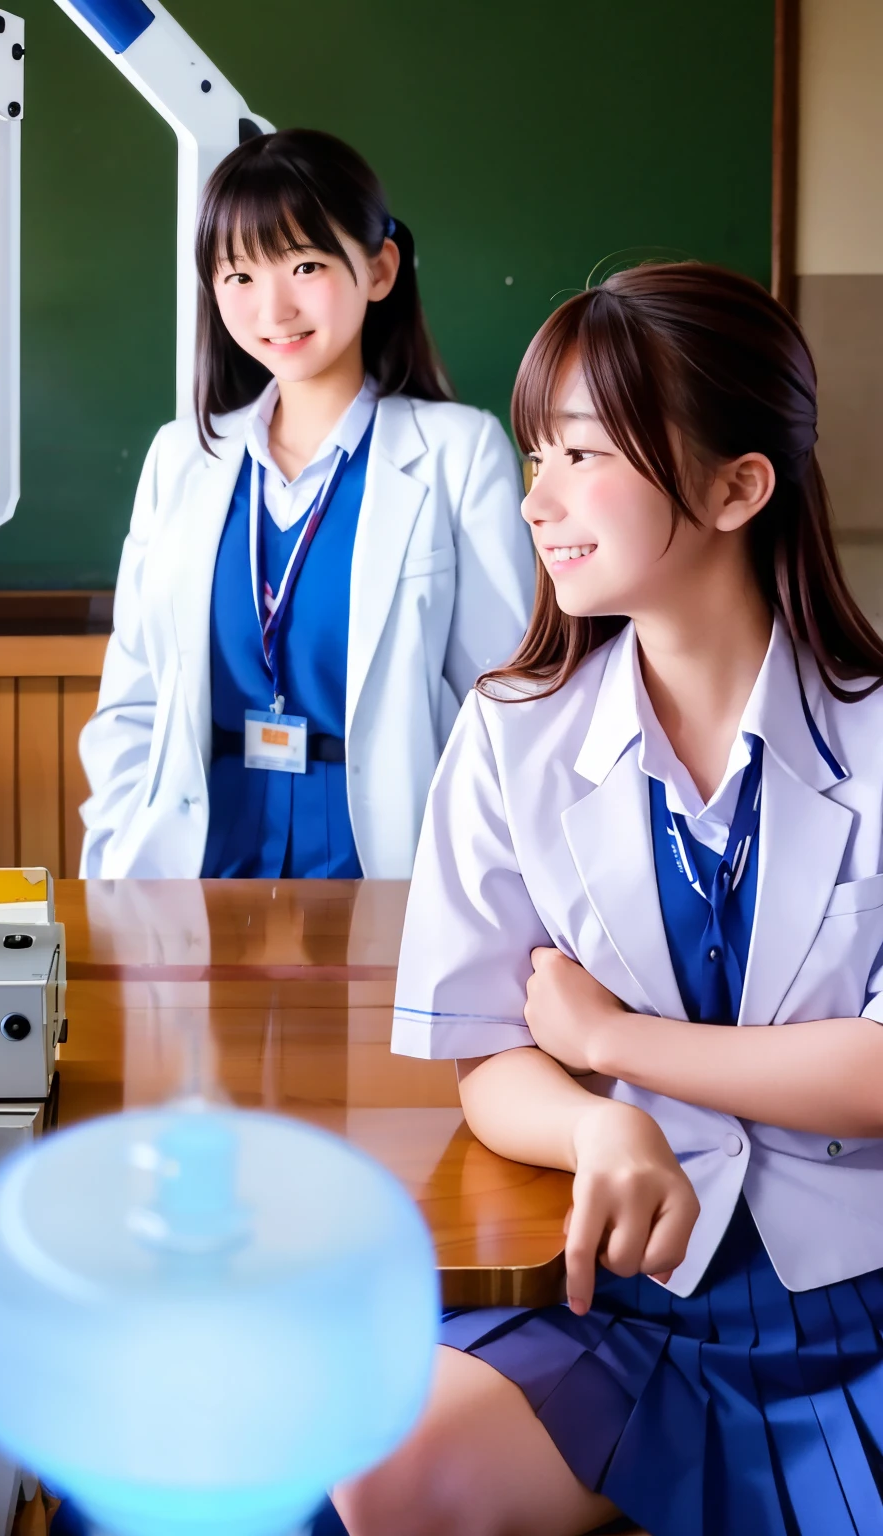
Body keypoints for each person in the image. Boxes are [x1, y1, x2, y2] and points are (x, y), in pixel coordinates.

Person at [342, 263, 883, 1536]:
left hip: (862, 1288)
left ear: (735, 486)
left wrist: (610, 1047)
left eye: (580, 456)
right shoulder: (506, 731)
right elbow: (482, 1052)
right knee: (385, 1463)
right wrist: (593, 1127)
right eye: (536, 455)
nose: (537, 500)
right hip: (621, 1299)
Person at [78, 128, 533, 880]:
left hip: (389, 872)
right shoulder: (180, 458)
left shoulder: (460, 453)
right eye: (239, 277)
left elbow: (503, 707)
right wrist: (120, 847)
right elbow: (132, 701)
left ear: (379, 269)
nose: (274, 307)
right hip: (191, 874)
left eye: (306, 264)